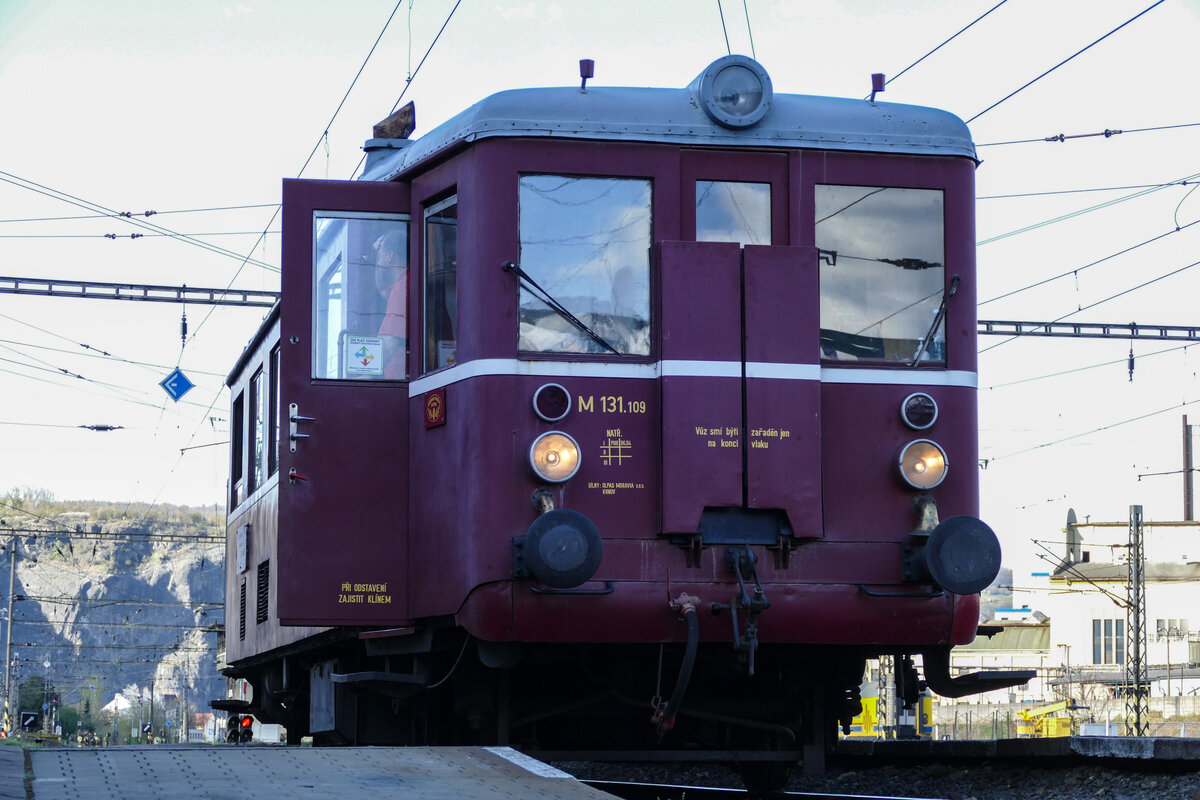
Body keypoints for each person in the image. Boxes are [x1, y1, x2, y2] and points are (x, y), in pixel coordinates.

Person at [373, 230, 407, 379]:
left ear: (390, 256)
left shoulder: (403, 288)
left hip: (400, 382)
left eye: (380, 256)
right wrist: (377, 254)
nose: (378, 262)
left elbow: (389, 346)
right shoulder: (400, 284)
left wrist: (367, 375)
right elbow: (380, 287)